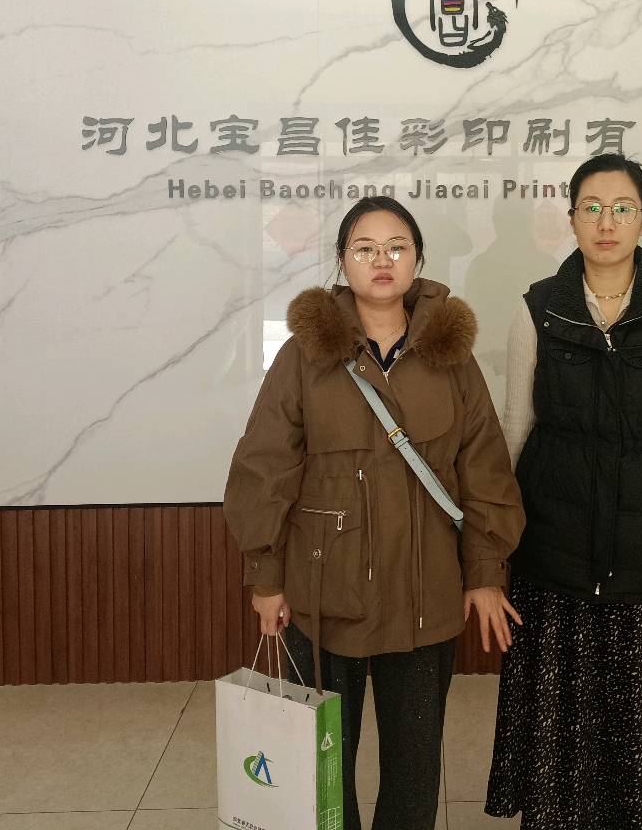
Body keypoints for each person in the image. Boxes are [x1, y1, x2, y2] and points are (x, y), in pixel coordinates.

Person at [224, 195, 526, 830]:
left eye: (396, 248)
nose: (381, 261)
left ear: (418, 260)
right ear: (343, 261)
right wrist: (265, 576)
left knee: (415, 766)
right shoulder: (304, 355)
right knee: (324, 761)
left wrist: (485, 573)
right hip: (322, 594)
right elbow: (263, 467)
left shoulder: (451, 356)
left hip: (425, 594)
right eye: (365, 249)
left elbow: (485, 471)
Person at [485, 154, 642, 830]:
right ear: (571, 220)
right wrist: (500, 531)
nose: (606, 222)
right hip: (553, 545)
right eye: (591, 208)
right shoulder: (538, 308)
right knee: (561, 714)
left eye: (622, 208)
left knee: (641, 715)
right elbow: (516, 426)